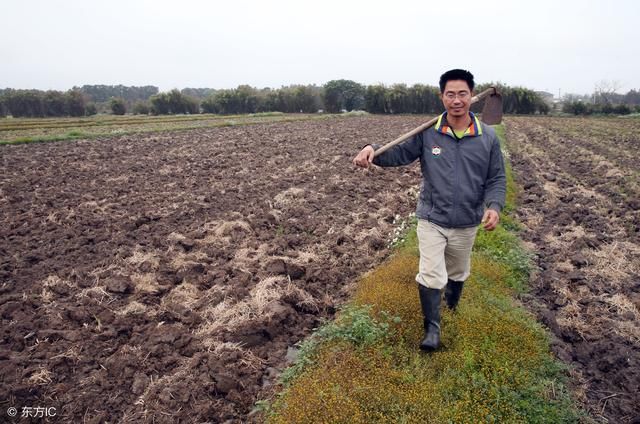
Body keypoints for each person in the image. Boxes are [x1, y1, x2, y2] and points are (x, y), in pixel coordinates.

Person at [352, 69, 506, 351]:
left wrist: (494, 206)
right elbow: (397, 154)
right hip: (432, 217)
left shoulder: (487, 138)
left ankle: (451, 303)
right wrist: (371, 150)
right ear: (442, 97)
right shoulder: (428, 134)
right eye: (450, 94)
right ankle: (432, 330)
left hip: (468, 219)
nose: (456, 100)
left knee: (458, 271)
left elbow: (496, 178)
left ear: (472, 96)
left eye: (462, 94)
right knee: (432, 273)